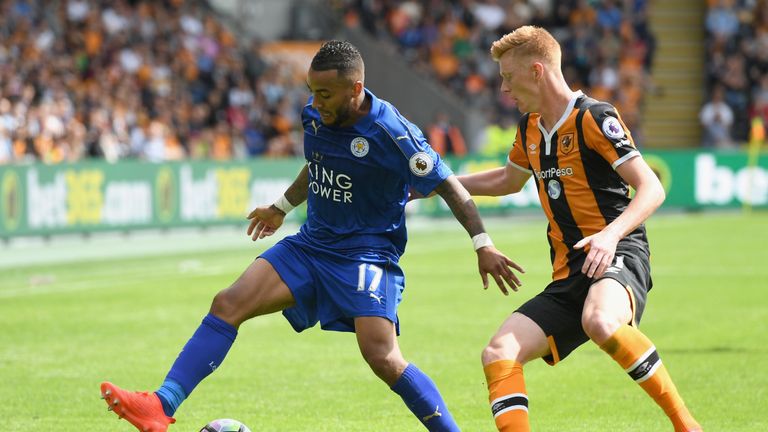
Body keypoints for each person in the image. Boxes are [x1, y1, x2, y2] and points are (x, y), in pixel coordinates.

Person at [99, 40, 522, 432]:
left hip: (366, 256)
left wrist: (482, 245)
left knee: (383, 357)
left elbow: (450, 186)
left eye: (325, 94)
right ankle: (161, 406)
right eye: (311, 91)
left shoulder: (394, 133)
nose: (315, 104)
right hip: (312, 245)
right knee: (228, 303)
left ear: (355, 88)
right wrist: (281, 207)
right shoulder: (315, 114)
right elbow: (317, 162)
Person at [455, 26, 702, 431]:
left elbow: (651, 187)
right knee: (498, 352)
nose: (503, 88)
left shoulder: (595, 117)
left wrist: (610, 235)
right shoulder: (529, 129)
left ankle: (686, 425)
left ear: (536, 71)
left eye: (508, 77)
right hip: (571, 272)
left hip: (618, 253)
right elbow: (507, 181)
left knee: (601, 321)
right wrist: (441, 186)